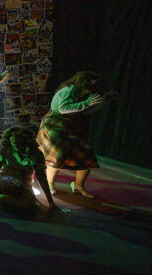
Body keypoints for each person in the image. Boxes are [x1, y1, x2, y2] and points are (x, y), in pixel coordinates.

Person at [36, 71, 117, 199]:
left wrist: (103, 102)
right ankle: (49, 182)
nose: (89, 92)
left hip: (70, 125)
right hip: (54, 123)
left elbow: (86, 111)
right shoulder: (69, 90)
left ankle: (79, 185)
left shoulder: (82, 92)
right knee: (57, 154)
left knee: (86, 154)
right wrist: (86, 103)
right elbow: (63, 108)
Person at [0, 127, 58, 212]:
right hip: (3, 180)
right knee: (14, 184)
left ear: (27, 142)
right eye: (13, 143)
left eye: (19, 144)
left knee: (25, 205)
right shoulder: (6, 149)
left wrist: (51, 203)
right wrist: (2, 178)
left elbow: (41, 178)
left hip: (24, 184)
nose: (15, 146)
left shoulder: (36, 154)